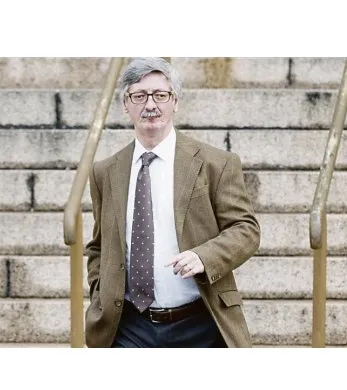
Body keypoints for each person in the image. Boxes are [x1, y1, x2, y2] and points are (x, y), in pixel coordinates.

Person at [84, 57, 260, 348]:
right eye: (139, 96)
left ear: (175, 102)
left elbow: (246, 229)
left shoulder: (216, 163)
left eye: (160, 95)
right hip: (129, 327)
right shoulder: (105, 172)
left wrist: (205, 256)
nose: (150, 105)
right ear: (126, 104)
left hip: (200, 322)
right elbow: (99, 245)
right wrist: (99, 291)